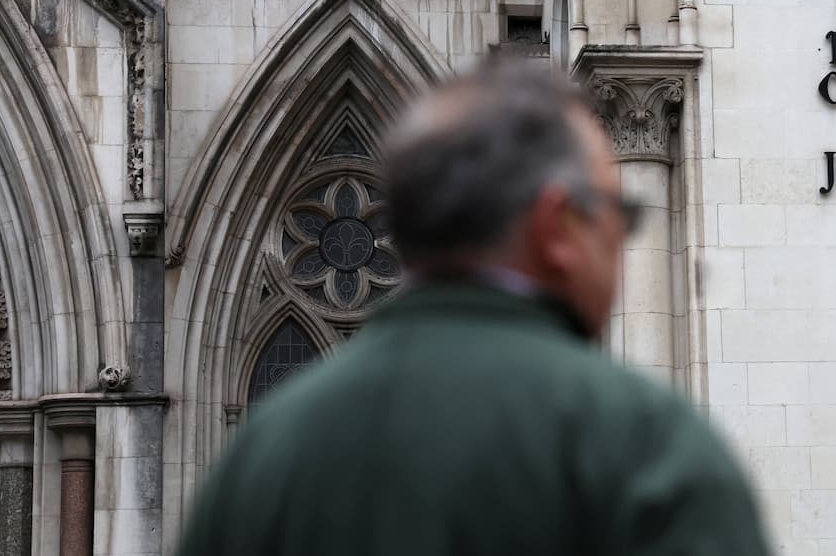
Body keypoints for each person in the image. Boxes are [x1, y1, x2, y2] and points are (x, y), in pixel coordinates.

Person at [177, 60, 771, 556]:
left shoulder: (259, 463)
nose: (621, 246)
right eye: (618, 216)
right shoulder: (650, 451)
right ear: (557, 226)